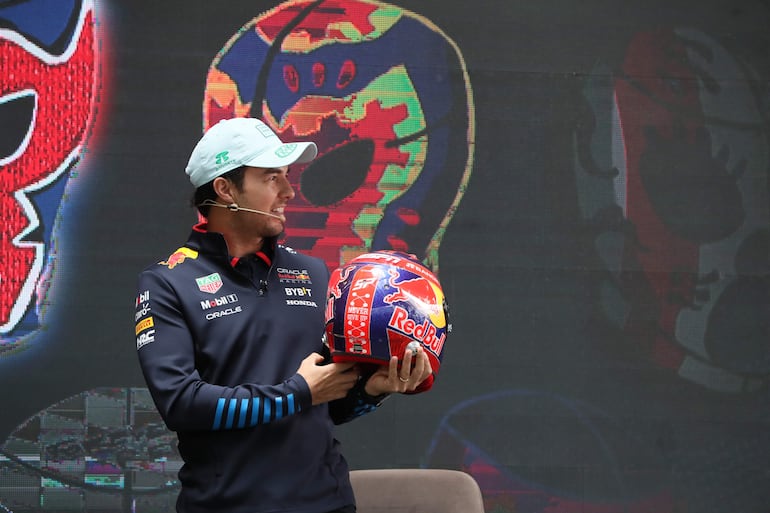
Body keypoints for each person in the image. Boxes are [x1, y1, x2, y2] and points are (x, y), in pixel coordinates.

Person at [134, 117, 432, 513]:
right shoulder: (167, 282)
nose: (290, 192)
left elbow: (327, 404)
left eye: (286, 177)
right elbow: (181, 404)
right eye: (272, 178)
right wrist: (297, 393)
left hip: (328, 503)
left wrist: (371, 389)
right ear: (225, 189)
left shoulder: (311, 271)